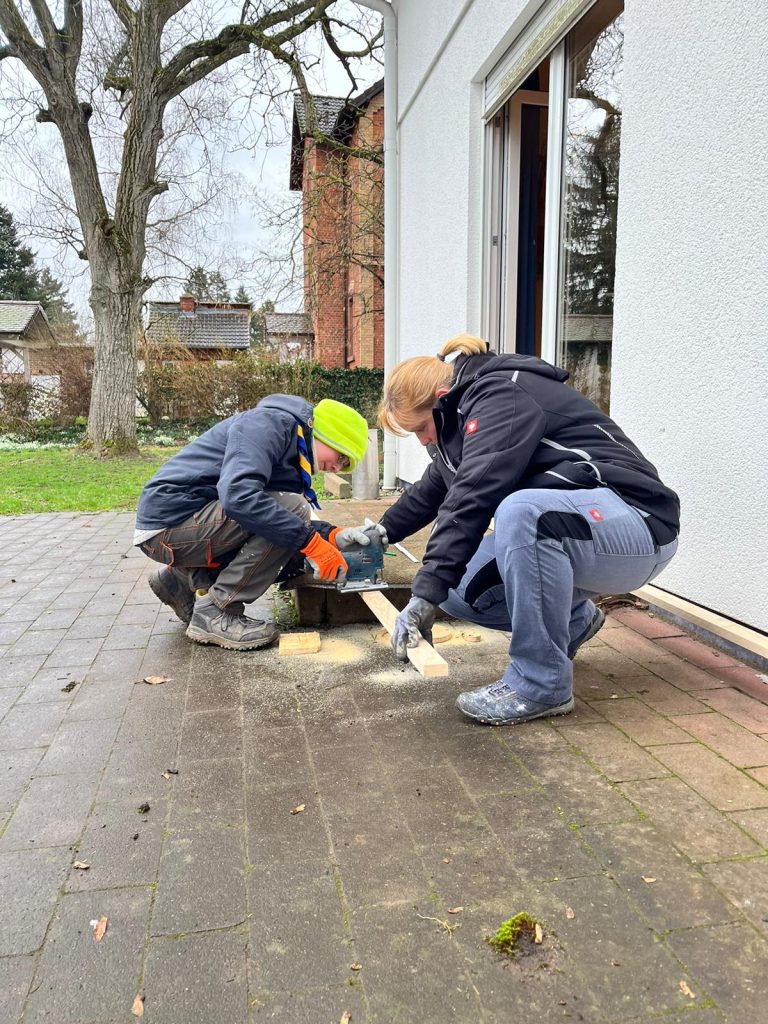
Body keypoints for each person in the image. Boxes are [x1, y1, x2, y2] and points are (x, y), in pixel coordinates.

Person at [371, 335, 680, 726]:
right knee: (456, 588)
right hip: (583, 530)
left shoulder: (502, 395)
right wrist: (380, 533)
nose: (423, 440)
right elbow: (433, 489)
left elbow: (470, 497)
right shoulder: (457, 423)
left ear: (441, 398)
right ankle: (574, 621)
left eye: (420, 428)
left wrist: (422, 596)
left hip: (640, 524)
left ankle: (541, 684)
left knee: (522, 513)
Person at [134, 395, 372, 650]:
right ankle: (218, 610)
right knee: (291, 510)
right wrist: (311, 543)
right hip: (168, 525)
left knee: (284, 520)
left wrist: (332, 535)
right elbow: (238, 495)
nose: (336, 468)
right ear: (328, 435)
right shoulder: (268, 425)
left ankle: (180, 581)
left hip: (179, 522)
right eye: (341, 457)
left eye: (344, 466)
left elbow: (278, 518)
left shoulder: (290, 446)